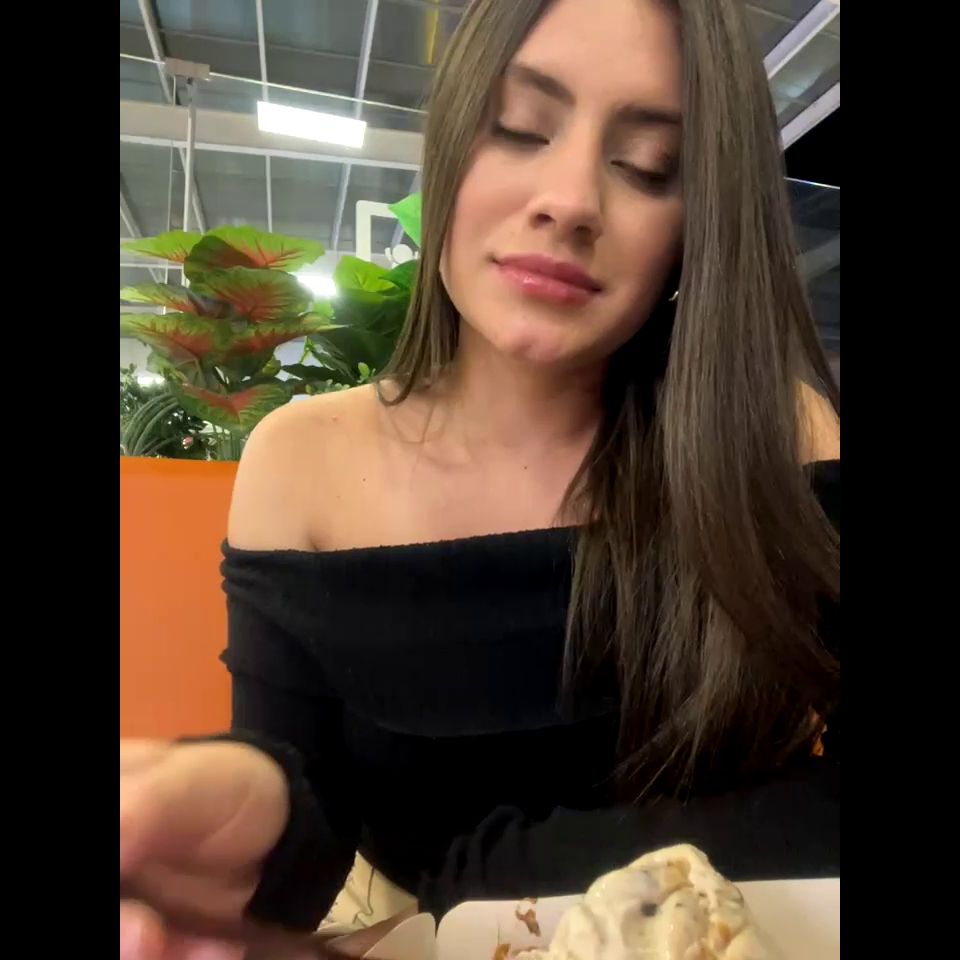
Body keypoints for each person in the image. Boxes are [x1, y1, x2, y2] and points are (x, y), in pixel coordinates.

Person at [119, 0, 841, 956]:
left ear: (695, 224)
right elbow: (308, 833)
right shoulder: (301, 462)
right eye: (520, 128)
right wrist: (250, 806)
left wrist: (483, 880)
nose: (571, 199)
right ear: (451, 145)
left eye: (648, 165)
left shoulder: (780, 439)